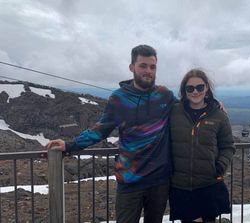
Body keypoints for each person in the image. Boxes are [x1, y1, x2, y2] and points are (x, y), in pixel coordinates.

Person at [45, 44, 176, 223]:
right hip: (130, 181)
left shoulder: (164, 95)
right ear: (132, 68)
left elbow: (187, 110)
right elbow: (100, 130)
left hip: (159, 182)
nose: (148, 71)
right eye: (143, 66)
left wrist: (213, 107)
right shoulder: (119, 98)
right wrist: (69, 145)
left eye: (152, 67)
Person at [169, 69, 235, 223]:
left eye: (199, 87)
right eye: (190, 88)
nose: (195, 91)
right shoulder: (174, 111)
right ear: (184, 91)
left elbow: (228, 146)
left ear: (206, 88)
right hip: (181, 185)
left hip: (208, 184)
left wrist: (219, 167)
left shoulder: (219, 115)